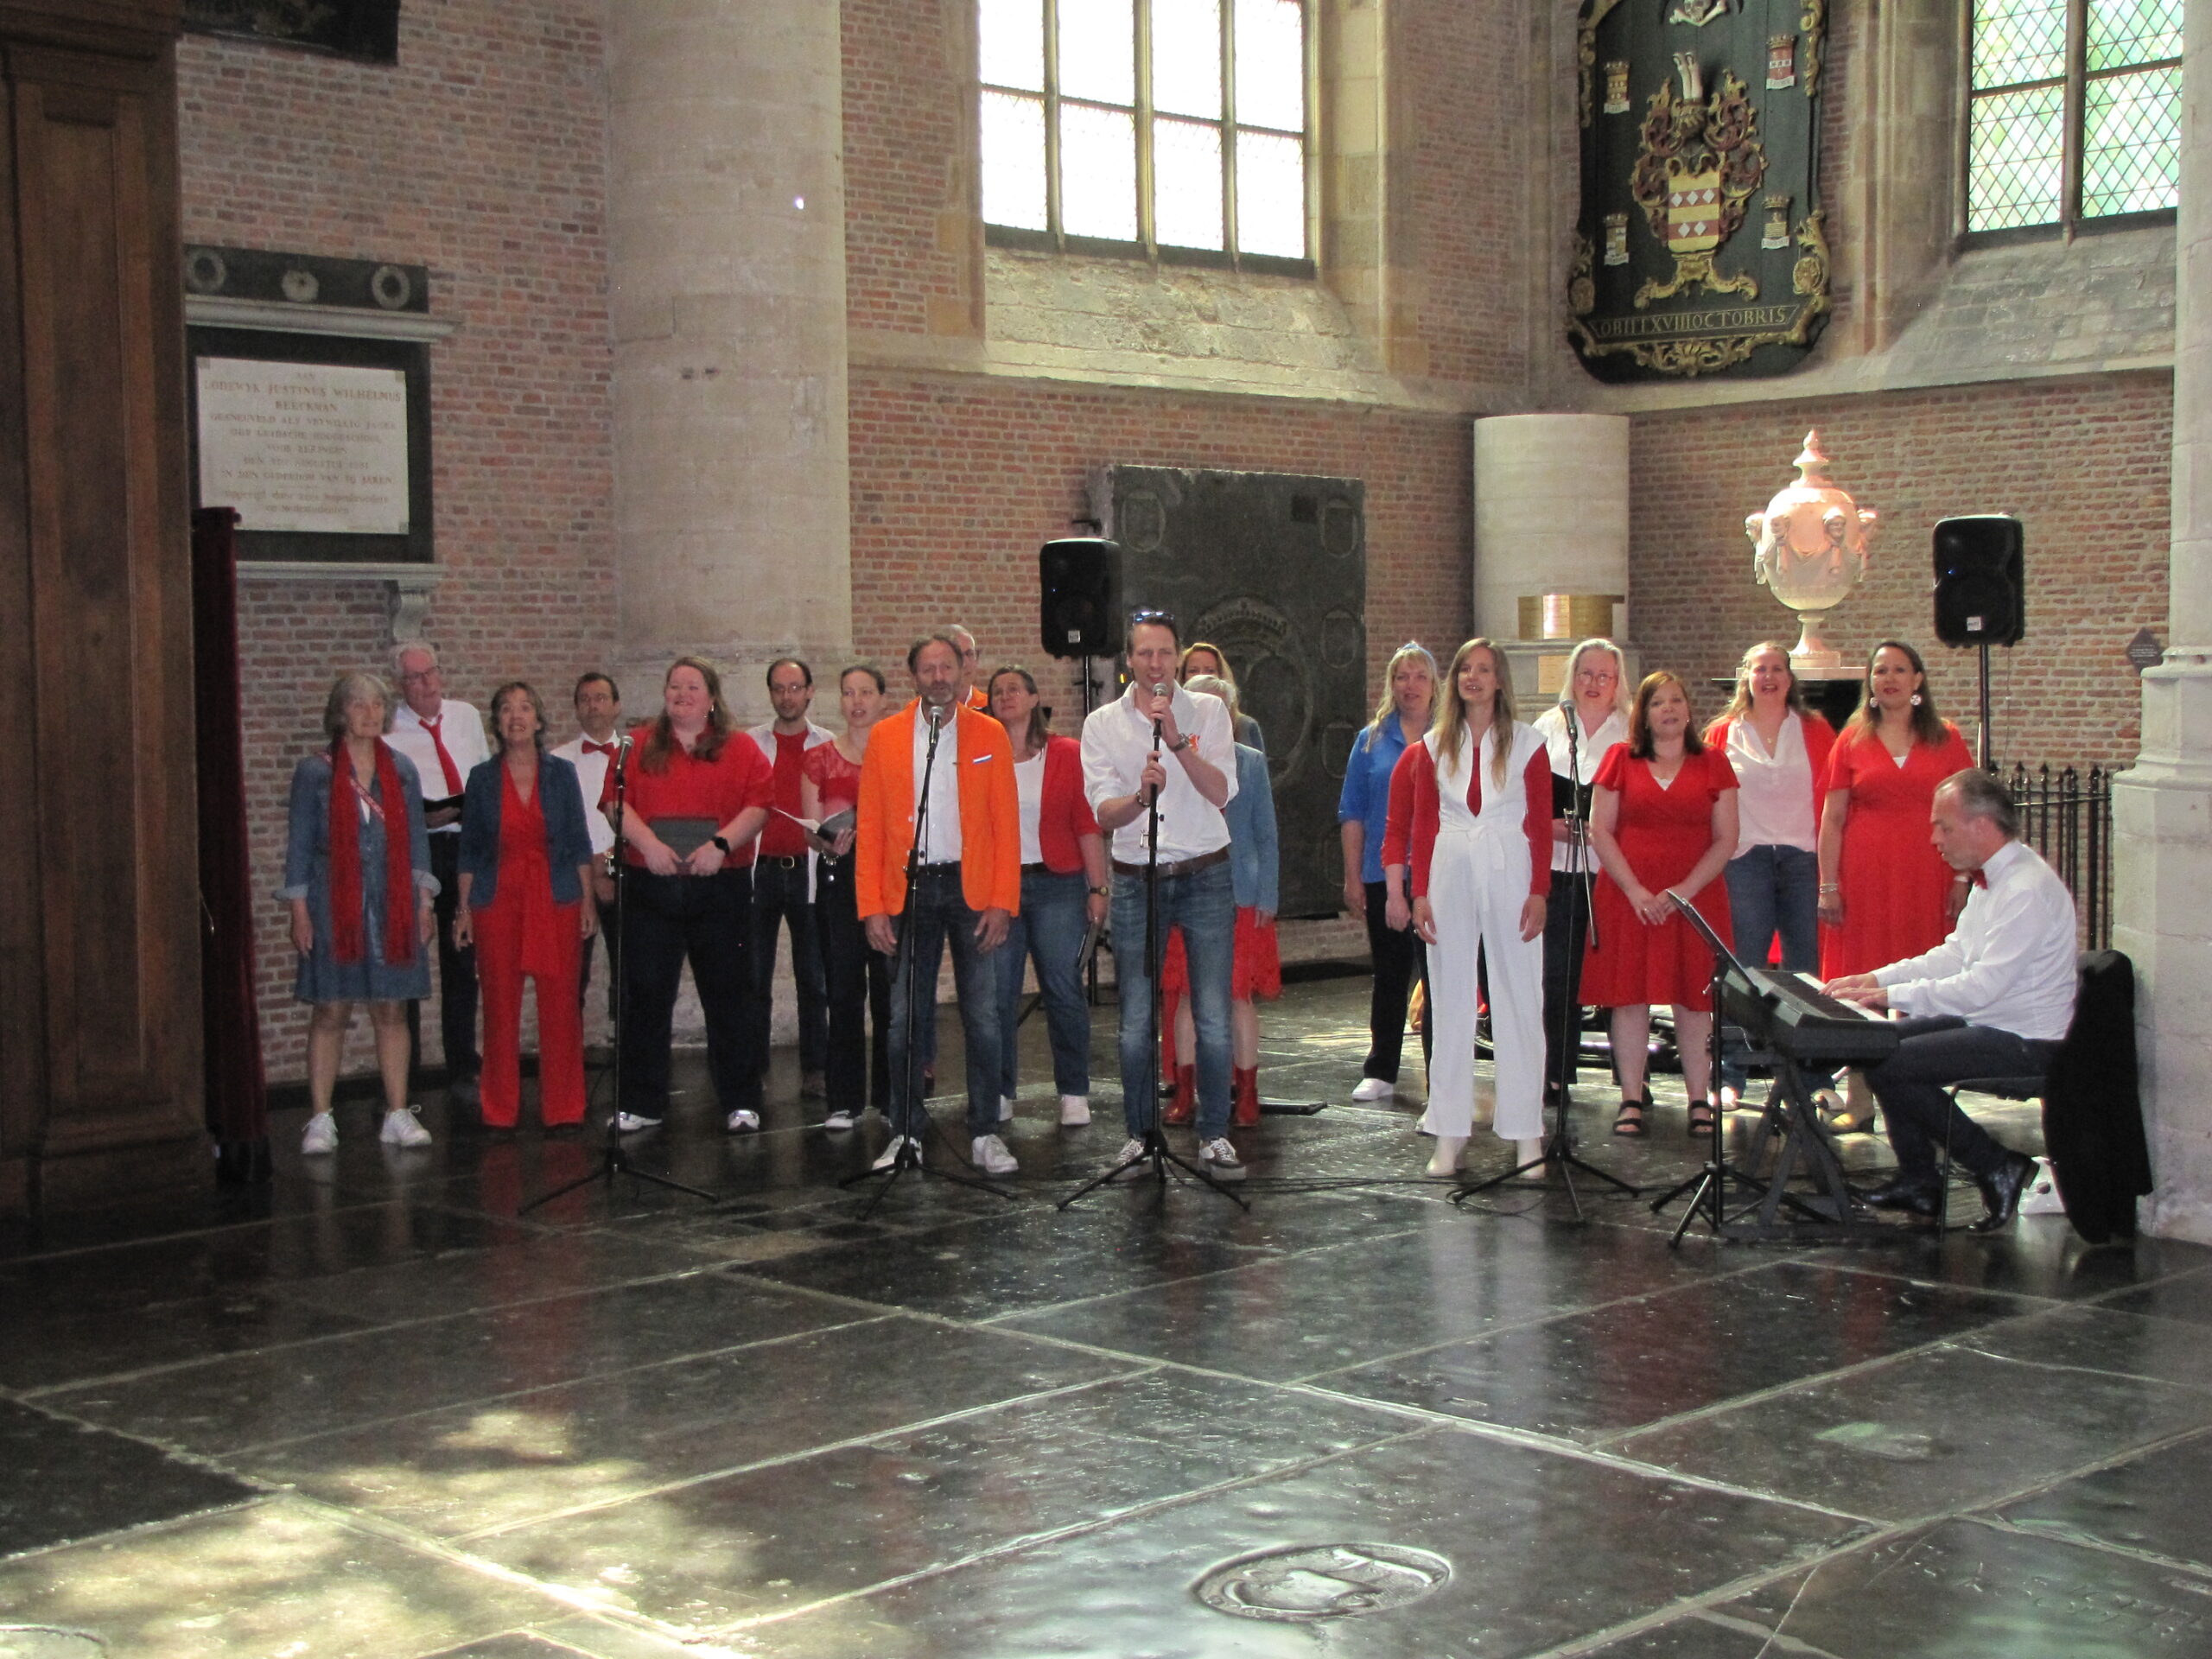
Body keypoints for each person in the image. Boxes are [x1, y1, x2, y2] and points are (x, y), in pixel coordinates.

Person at [1825, 769, 2075, 1230]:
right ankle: (1920, 1181)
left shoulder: (2025, 889)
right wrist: (1874, 978)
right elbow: (1955, 953)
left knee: (1892, 1064)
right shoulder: (1993, 878)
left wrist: (1890, 994)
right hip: (1990, 1021)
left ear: (1981, 825)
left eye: (1944, 826)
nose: (1934, 838)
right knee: (1876, 1049)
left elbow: (1980, 987)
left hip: (2027, 1039)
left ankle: (1996, 1165)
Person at [1081, 609, 1246, 1180]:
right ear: (1129, 661)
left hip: (1205, 874)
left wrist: (1177, 741)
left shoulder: (1209, 712)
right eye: (1145, 654)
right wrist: (1139, 800)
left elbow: (1221, 791)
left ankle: (1214, 1135)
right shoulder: (1102, 724)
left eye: (1165, 653)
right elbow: (1104, 813)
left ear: (1177, 657)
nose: (1156, 664)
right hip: (1137, 879)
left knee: (1213, 1013)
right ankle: (1139, 1134)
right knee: (1135, 1017)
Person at [1381, 640, 1550, 1176]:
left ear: (1500, 680)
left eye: (1484, 669)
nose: (1473, 677)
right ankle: (1449, 1129)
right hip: (1450, 866)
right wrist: (1420, 892)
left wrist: (1540, 890)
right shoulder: (1433, 746)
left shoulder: (1529, 743)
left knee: (1518, 995)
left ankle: (1526, 1134)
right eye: (1465, 670)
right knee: (1449, 997)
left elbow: (1540, 823)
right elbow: (1423, 823)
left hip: (1509, 865)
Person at [856, 632, 1021, 1173]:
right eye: (928, 669)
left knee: (983, 1016)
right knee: (904, 1017)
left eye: (946, 667)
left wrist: (1002, 901)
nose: (939, 678)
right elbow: (871, 827)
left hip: (972, 890)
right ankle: (905, 1132)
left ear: (962, 671)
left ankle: (985, 1133)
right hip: (908, 890)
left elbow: (1005, 824)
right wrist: (871, 906)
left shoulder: (989, 733)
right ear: (913, 677)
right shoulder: (886, 736)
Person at [605, 657, 773, 1134]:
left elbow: (760, 805)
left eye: (693, 687)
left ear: (712, 698)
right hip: (651, 883)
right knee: (646, 996)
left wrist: (720, 846)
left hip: (720, 885)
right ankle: (641, 1102)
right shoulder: (635, 744)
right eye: (674, 686)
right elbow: (615, 804)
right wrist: (649, 846)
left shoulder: (740, 748)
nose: (682, 694)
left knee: (730, 996)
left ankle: (741, 1100)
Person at [1816, 639, 1975, 1131]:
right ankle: (1860, 1100)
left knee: (1921, 987)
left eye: (1899, 670)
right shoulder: (1851, 741)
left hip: (1928, 875)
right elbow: (1832, 819)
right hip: (1863, 879)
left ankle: (1917, 1103)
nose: (1889, 679)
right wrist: (1827, 885)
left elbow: (1967, 814)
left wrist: (1963, 876)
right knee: (1860, 986)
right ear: (1870, 681)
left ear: (1918, 680)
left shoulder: (1947, 739)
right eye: (1881, 670)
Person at [281, 671, 439, 1153]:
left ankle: (397, 1112)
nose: (370, 714)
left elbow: (416, 840)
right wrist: (299, 911)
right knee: (331, 1008)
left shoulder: (402, 770)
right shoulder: (315, 772)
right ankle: (320, 1118)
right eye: (359, 705)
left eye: (377, 705)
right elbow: (299, 845)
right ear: (340, 713)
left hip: (393, 902)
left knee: (392, 1008)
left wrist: (424, 901)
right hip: (333, 902)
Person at [1580, 671, 1739, 1138]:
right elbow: (1600, 829)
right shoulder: (1619, 759)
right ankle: (1631, 1097)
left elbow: (1727, 837)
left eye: (1676, 700)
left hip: (1695, 898)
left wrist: (1683, 892)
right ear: (1643, 715)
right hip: (1629, 897)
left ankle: (1699, 1099)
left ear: (1689, 710)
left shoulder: (1713, 762)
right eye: (1657, 703)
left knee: (1695, 999)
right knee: (1629, 998)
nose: (1668, 709)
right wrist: (1635, 890)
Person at [454, 682, 597, 1132]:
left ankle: (565, 1107)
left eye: (525, 708)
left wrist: (587, 901)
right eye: (506, 710)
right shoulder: (481, 778)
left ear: (538, 720)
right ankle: (499, 1109)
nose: (516, 716)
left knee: (561, 1008)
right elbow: (470, 850)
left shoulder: (561, 774)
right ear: (497, 723)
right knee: (499, 1009)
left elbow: (578, 841)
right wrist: (463, 910)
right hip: (497, 902)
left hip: (555, 899)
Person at [1706, 642, 1835, 1106]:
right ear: (1745, 675)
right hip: (1746, 859)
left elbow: (1835, 795)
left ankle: (1813, 1078)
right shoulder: (1722, 733)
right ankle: (1731, 1074)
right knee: (1744, 969)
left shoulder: (1815, 730)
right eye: (1760, 669)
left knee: (1806, 971)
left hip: (1803, 859)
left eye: (1778, 669)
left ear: (1790, 678)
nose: (1769, 677)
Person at [988, 664, 1109, 1128]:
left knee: (1062, 989)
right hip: (1000, 888)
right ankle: (1000, 1091)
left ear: (1035, 697)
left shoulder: (1066, 753)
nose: (1006, 696)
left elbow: (1086, 824)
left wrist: (1098, 887)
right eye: (998, 691)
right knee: (999, 994)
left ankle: (1074, 1091)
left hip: (1058, 884)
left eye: (1015, 688)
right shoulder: (981, 756)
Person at [387, 641, 489, 1106]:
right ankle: (401, 1076)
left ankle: (463, 1066)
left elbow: (482, 776)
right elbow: (386, 797)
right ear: (399, 684)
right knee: (409, 961)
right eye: (414, 677)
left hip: (463, 846)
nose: (425, 683)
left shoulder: (466, 716)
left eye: (430, 672)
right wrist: (421, 817)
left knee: (462, 959)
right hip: (418, 850)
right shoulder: (389, 728)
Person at [1531, 638, 1632, 1105]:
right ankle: (1557, 1074)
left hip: (1611, 872)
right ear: (1572, 677)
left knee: (1617, 977)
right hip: (1557, 867)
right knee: (1558, 977)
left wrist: (1604, 829)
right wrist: (1547, 825)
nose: (1593, 684)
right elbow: (1525, 796)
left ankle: (1631, 1079)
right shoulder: (1547, 727)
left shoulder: (1630, 731)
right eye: (1585, 674)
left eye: (1604, 676)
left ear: (1617, 683)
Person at [1176, 672, 1280, 1128]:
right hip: (1184, 889)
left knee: (1238, 997)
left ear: (1232, 714)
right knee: (1186, 996)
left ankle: (1248, 1091)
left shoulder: (1250, 763)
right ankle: (1185, 1092)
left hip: (1239, 892)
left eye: (1219, 706)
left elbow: (1266, 832)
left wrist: (1268, 893)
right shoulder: (1173, 757)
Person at [1338, 642, 1439, 1105]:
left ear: (1434, 684)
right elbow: (1352, 811)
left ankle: (1442, 1071)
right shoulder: (1370, 740)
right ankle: (1381, 1069)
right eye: (1402, 677)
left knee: (1440, 976)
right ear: (1391, 684)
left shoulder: (1452, 736)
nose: (1410, 686)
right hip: (1384, 874)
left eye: (1419, 676)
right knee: (1391, 972)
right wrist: (1353, 876)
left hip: (1441, 873)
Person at [802, 663, 893, 1131]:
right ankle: (844, 1099)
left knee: (890, 992)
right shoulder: (818, 757)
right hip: (840, 876)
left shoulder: (899, 753)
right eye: (848, 693)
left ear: (882, 699)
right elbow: (810, 828)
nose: (856, 702)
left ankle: (892, 1096)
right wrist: (826, 842)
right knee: (843, 989)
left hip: (891, 877)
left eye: (865, 692)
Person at [746, 658, 835, 1101]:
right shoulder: (750, 744)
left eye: (795, 687)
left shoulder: (829, 745)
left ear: (810, 691)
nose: (787, 696)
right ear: (770, 694)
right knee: (754, 978)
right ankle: (754, 1068)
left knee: (813, 978)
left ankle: (816, 1068)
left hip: (809, 871)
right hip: (760, 871)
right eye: (779, 688)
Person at [550, 672, 622, 1018]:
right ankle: (569, 1049)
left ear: (617, 705)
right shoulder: (557, 761)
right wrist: (591, 871)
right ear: (577, 709)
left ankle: (628, 1044)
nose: (593, 706)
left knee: (630, 973)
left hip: (624, 875)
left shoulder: (637, 757)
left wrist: (608, 864)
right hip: (574, 878)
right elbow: (553, 826)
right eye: (585, 700)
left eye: (601, 698)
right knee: (571, 976)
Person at [1178, 641, 1263, 749]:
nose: (1201, 676)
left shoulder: (1245, 726)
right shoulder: (1169, 723)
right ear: (1182, 677)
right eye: (1193, 671)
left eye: (1210, 671)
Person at [945, 623, 991, 713]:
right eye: (958, 655)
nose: (965, 663)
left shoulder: (990, 707)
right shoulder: (922, 710)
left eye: (969, 654)